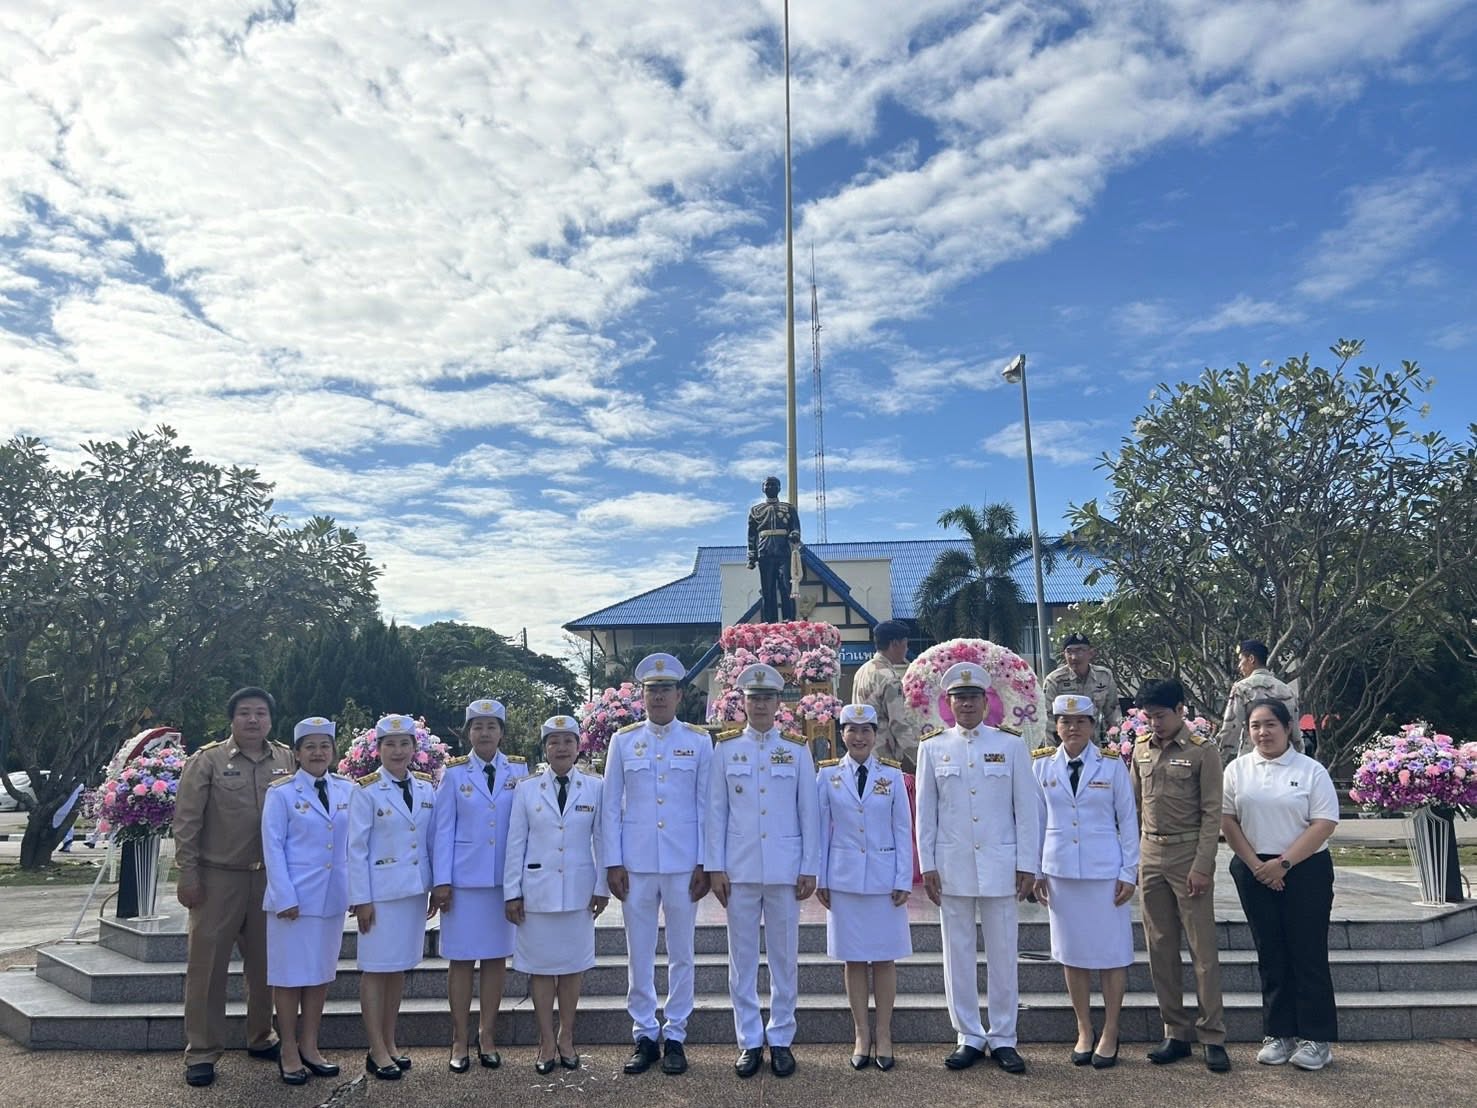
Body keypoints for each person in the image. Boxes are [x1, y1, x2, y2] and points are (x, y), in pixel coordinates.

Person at [914, 661, 1038, 1075]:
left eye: (973, 697)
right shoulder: (933, 747)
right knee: (958, 954)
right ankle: (967, 1034)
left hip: (1001, 864)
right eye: (959, 698)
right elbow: (925, 814)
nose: (966, 704)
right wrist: (928, 864)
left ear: (986, 702)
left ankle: (1003, 1036)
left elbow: (1027, 810)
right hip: (953, 865)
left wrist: (1028, 863)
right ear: (948, 704)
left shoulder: (1011, 745)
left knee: (1003, 955)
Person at [174, 686, 296, 1088]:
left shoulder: (286, 759)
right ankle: (202, 1051)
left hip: (268, 879)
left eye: (261, 713)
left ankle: (261, 1036)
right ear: (232, 718)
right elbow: (187, 822)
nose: (253, 720)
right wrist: (188, 874)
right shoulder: (207, 760)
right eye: (245, 712)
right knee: (207, 968)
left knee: (265, 966)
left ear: (271, 720)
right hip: (218, 879)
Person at [600, 653, 712, 1077]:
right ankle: (645, 1034)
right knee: (639, 953)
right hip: (637, 863)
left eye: (666, 689)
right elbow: (611, 806)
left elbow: (707, 805)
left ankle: (677, 1033)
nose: (659, 696)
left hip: (684, 863)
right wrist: (613, 861)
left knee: (682, 952)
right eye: (652, 690)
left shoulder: (698, 742)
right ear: (642, 696)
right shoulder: (623, 741)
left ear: (679, 695)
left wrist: (705, 861)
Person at [706, 662, 819, 1079]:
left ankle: (782, 1037)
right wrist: (715, 866)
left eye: (767, 698)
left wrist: (809, 866)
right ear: (744, 703)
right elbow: (715, 812)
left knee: (784, 957)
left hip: (785, 868)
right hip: (739, 868)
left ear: (777, 703)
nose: (759, 705)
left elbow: (809, 812)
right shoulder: (725, 749)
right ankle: (750, 1039)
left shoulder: (797, 749)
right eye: (753, 699)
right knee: (742, 960)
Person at [1222, 698, 1340, 1071]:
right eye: (1255, 725)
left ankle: (1316, 1038)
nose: (1263, 732)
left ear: (1288, 727)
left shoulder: (1310, 770)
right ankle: (1279, 1033)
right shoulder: (1237, 770)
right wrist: (1258, 866)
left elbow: (1324, 823)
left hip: (1304, 869)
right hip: (1254, 868)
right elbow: (1228, 820)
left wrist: (1283, 864)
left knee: (1307, 952)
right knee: (1270, 953)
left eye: (1271, 724)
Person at [1031, 694, 1139, 1070]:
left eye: (1080, 721)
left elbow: (1128, 820)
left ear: (1093, 726)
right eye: (1065, 721)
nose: (1072, 728)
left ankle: (1111, 1029)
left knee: (1112, 954)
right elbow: (1036, 821)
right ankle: (1084, 1028)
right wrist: (1036, 870)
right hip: (1061, 872)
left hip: (1105, 872)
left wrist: (1129, 872)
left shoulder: (1111, 765)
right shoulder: (1042, 765)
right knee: (1072, 954)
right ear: (1056, 726)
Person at [1129, 678, 1229, 1072]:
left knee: (1202, 951)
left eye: (1161, 715)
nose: (1154, 723)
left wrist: (1203, 865)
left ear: (1180, 710)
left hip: (1188, 854)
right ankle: (1175, 1031)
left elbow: (1212, 813)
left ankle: (1212, 1035)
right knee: (1160, 947)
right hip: (1150, 853)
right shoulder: (1140, 749)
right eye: (1148, 716)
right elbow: (1133, 807)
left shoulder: (1203, 751)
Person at [505, 715, 609, 1074]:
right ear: (545, 749)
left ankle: (567, 1036)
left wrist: (602, 886)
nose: (561, 748)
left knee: (572, 969)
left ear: (578, 747)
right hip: (537, 893)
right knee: (540, 970)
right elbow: (515, 844)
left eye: (568, 741)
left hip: (579, 893)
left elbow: (602, 840)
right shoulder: (526, 789)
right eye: (554, 742)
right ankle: (546, 1041)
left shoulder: (595, 787)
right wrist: (512, 893)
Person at [431, 699, 529, 1073]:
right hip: (463, 882)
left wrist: (521, 882)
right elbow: (443, 830)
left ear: (502, 732)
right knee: (460, 960)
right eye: (477, 726)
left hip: (502, 882)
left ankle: (487, 1035)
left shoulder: (518, 770)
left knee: (495, 960)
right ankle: (459, 1038)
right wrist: (441, 881)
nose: (484, 733)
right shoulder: (455, 773)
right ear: (467, 733)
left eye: (491, 726)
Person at [815, 703, 912, 1072]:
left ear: (875, 735)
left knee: (884, 958)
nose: (859, 737)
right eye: (852, 730)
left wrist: (903, 877)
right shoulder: (827, 775)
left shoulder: (891, 773)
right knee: (853, 958)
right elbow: (821, 831)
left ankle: (884, 1033)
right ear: (842, 734)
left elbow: (902, 828)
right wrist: (821, 877)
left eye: (865, 730)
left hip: (884, 880)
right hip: (844, 879)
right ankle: (861, 1034)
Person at [261, 717, 352, 1085]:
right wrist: (284, 895)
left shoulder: (347, 790)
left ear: (333, 751)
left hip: (332, 899)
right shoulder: (281, 793)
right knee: (288, 976)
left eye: (324, 746)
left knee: (320, 974)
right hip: (293, 901)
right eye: (310, 747)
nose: (318, 753)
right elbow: (273, 846)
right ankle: (288, 1049)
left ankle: (310, 1046)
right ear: (297, 754)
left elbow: (353, 845)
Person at [348, 714, 436, 1081]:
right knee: (375, 969)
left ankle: (390, 1041)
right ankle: (375, 1048)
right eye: (390, 745)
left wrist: (435, 885)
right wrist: (361, 899)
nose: (398, 751)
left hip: (414, 891)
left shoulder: (427, 788)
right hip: (380, 895)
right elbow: (355, 849)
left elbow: (431, 840)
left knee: (398, 968)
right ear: (378, 749)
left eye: (404, 744)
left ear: (415, 748)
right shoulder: (366, 791)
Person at [1216, 640, 1300, 764]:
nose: (1239, 666)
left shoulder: (1241, 688)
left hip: (1252, 760)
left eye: (1241, 660)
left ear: (1251, 659)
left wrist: (1217, 759)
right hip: (1285, 760)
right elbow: (1295, 731)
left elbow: (1231, 728)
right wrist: (1299, 760)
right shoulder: (1287, 690)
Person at [851, 620, 920, 771]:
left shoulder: (862, 671)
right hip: (884, 754)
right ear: (895, 643)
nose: (906, 649)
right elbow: (898, 724)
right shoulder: (889, 678)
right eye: (905, 644)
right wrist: (919, 758)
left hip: (862, 750)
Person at [1043, 633, 1122, 742]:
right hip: (1065, 745)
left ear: (1091, 653)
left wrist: (1118, 743)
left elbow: (1112, 713)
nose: (1074, 657)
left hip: (1094, 744)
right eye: (1069, 652)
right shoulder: (1054, 680)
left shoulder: (1104, 676)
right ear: (1063, 655)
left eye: (1079, 651)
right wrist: (1051, 751)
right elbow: (1048, 719)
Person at [746, 476, 801, 623]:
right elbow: (752, 535)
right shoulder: (756, 510)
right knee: (767, 589)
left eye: (774, 485)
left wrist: (795, 534)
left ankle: (789, 619)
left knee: (786, 586)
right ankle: (770, 622)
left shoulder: (788, 508)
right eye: (767, 485)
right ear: (763, 489)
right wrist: (752, 555)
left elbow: (795, 526)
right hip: (765, 552)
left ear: (779, 488)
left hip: (783, 551)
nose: (770, 487)